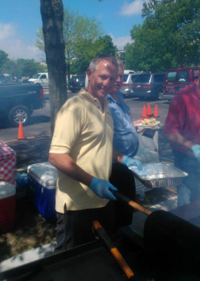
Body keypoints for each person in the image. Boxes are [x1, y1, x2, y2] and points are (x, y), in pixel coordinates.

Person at [49, 56, 142, 252]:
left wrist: (123, 158)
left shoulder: (104, 106)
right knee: (71, 264)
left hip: (102, 201)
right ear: (89, 74)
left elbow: (103, 146)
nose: (107, 83)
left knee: (103, 257)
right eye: (103, 77)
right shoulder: (74, 108)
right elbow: (56, 156)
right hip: (76, 206)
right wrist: (92, 181)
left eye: (113, 78)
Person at [107, 59, 140, 228]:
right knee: (117, 210)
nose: (119, 80)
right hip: (113, 165)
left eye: (121, 75)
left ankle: (125, 236)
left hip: (127, 164)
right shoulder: (103, 100)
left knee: (128, 206)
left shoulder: (119, 95)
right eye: (115, 76)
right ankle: (117, 242)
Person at [163, 74, 200, 206]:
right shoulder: (183, 97)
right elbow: (169, 132)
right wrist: (193, 147)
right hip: (188, 161)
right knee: (186, 206)